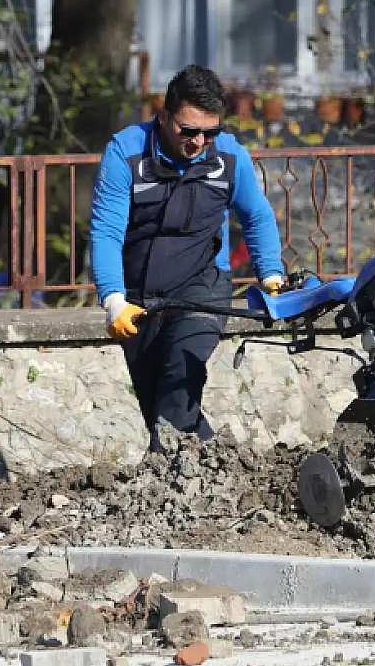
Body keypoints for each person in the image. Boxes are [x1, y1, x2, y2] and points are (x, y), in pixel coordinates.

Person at [90, 65, 285, 452]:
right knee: (157, 410)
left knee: (177, 394)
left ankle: (180, 491)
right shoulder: (125, 153)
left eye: (210, 132)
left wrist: (271, 274)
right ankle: (215, 469)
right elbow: (106, 229)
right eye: (188, 130)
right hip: (139, 297)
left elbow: (257, 215)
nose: (199, 141)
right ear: (164, 117)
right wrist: (113, 299)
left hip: (202, 289)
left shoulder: (230, 157)